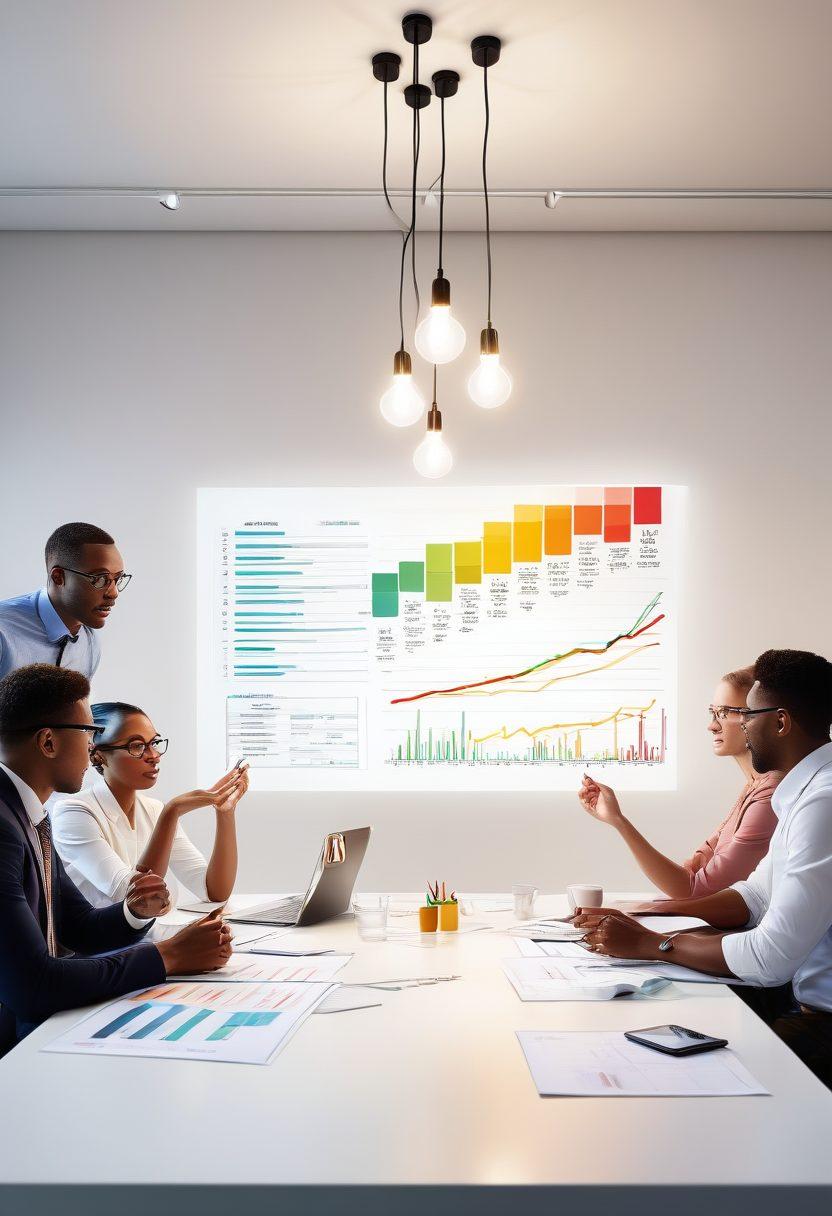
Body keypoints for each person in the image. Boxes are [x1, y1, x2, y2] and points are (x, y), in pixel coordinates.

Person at [571, 649, 832, 1087]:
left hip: (821, 1023)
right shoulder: (804, 792)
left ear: (782, 722)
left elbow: (769, 959)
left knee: (673, 1070)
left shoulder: (822, 803)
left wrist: (657, 945)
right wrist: (654, 914)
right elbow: (756, 896)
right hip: (800, 1004)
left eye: (747, 715)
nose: (741, 726)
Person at [0, 664, 233, 1057]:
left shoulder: (28, 815)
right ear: (48, 743)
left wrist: (134, 912)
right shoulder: (4, 827)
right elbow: (32, 986)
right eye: (89, 733)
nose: (93, 748)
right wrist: (170, 954)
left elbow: (79, 927)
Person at [577, 666, 781, 898]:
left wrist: (619, 821)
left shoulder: (770, 795)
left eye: (724, 713)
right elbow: (692, 869)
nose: (712, 725)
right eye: (712, 713)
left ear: (756, 716)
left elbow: (694, 889)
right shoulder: (753, 787)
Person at [52, 700, 249, 910]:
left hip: (153, 936)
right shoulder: (73, 812)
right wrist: (172, 812)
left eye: (154, 743)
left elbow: (214, 891)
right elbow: (137, 897)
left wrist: (224, 811)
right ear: (99, 755)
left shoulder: (154, 810)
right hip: (107, 941)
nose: (154, 756)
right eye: (136, 746)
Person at [0, 522, 130, 681]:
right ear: (58, 577)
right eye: (100, 579)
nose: (114, 593)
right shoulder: (3, 632)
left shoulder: (89, 641)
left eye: (117, 579)